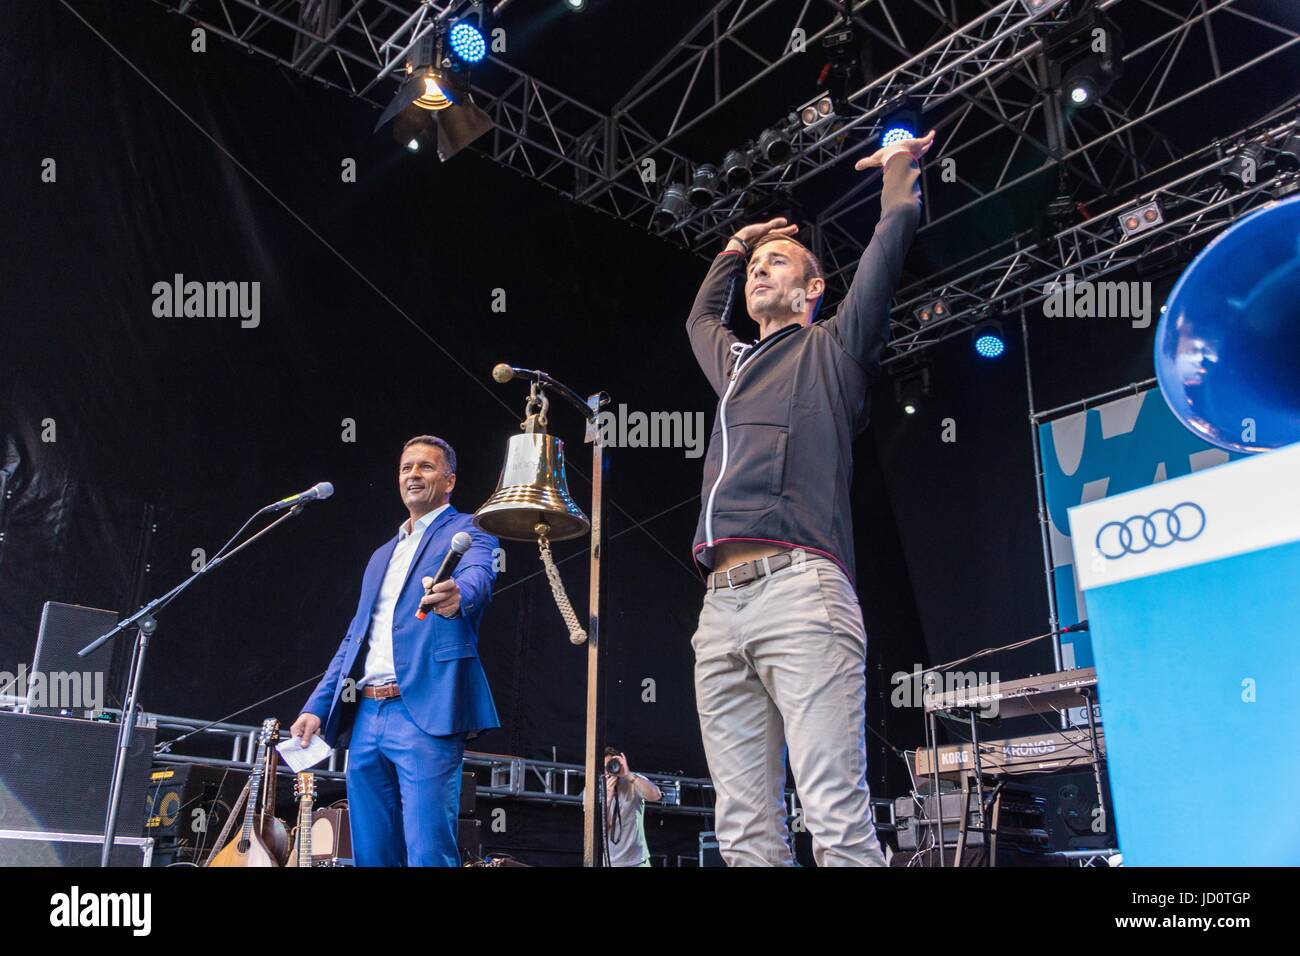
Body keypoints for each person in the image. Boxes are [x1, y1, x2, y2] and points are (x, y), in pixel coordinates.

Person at [684, 130, 936, 866]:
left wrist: (898, 166)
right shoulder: (734, 364)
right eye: (756, 269)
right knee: (743, 831)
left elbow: (894, 236)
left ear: (813, 288)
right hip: (720, 609)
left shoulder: (834, 349)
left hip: (801, 593)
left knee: (834, 815)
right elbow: (700, 318)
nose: (761, 272)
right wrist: (738, 244)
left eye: (777, 263)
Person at [290, 435, 500, 866]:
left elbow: (479, 573)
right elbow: (354, 639)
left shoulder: (469, 529)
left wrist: (460, 592)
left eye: (425, 467)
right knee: (372, 853)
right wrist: (317, 705)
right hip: (367, 715)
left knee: (427, 850)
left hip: (423, 710)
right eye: (406, 468)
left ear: (449, 481)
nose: (413, 475)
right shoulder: (381, 555)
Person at [589, 747, 662, 867]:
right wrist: (608, 797)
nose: (608, 771)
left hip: (637, 860)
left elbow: (656, 796)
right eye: (604, 768)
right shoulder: (591, 789)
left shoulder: (633, 780)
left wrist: (628, 775)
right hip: (608, 861)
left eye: (610, 765)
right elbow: (598, 828)